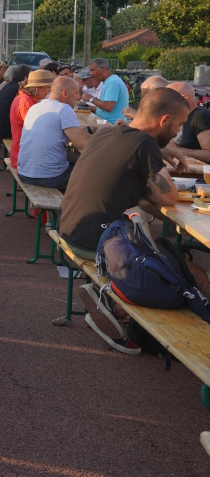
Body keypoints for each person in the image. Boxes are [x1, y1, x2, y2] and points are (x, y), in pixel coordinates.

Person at [58, 88, 188, 355]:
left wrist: (162, 153)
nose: (178, 131)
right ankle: (114, 304)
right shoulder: (145, 145)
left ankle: (109, 300)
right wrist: (158, 165)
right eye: (179, 124)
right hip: (98, 243)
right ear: (164, 121)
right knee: (181, 272)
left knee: (142, 220)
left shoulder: (107, 133)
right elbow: (169, 196)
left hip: (69, 230)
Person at [17, 77, 90, 190]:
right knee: (93, 174)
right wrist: (106, 136)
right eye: (76, 93)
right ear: (65, 93)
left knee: (74, 158)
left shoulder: (35, 107)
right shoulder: (63, 108)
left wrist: (87, 131)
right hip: (51, 177)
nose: (78, 97)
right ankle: (76, 207)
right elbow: (84, 144)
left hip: (24, 172)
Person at [9, 70, 53, 170]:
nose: (49, 90)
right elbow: (36, 130)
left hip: (23, 154)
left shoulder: (26, 98)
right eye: (48, 87)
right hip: (24, 158)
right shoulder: (26, 101)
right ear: (37, 87)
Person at [0, 65, 31, 145]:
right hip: (6, 130)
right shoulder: (19, 88)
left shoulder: (8, 86)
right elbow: (23, 112)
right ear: (26, 78)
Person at [85, 59, 129, 123]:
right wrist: (85, 106)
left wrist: (90, 98)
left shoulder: (113, 82)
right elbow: (103, 109)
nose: (91, 74)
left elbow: (108, 107)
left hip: (112, 126)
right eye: (90, 71)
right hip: (106, 124)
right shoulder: (109, 81)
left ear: (103, 68)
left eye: (93, 70)